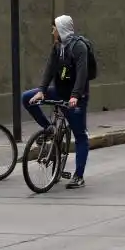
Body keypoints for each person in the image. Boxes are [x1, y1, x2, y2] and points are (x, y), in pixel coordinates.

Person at [21, 15, 91, 189]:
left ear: (61, 29)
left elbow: (82, 73)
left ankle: (78, 176)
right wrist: (42, 91)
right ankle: (50, 129)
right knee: (26, 98)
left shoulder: (79, 47)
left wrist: (75, 96)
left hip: (76, 97)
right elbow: (50, 69)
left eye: (54, 29)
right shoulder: (57, 46)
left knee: (80, 135)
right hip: (59, 91)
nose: (52, 32)